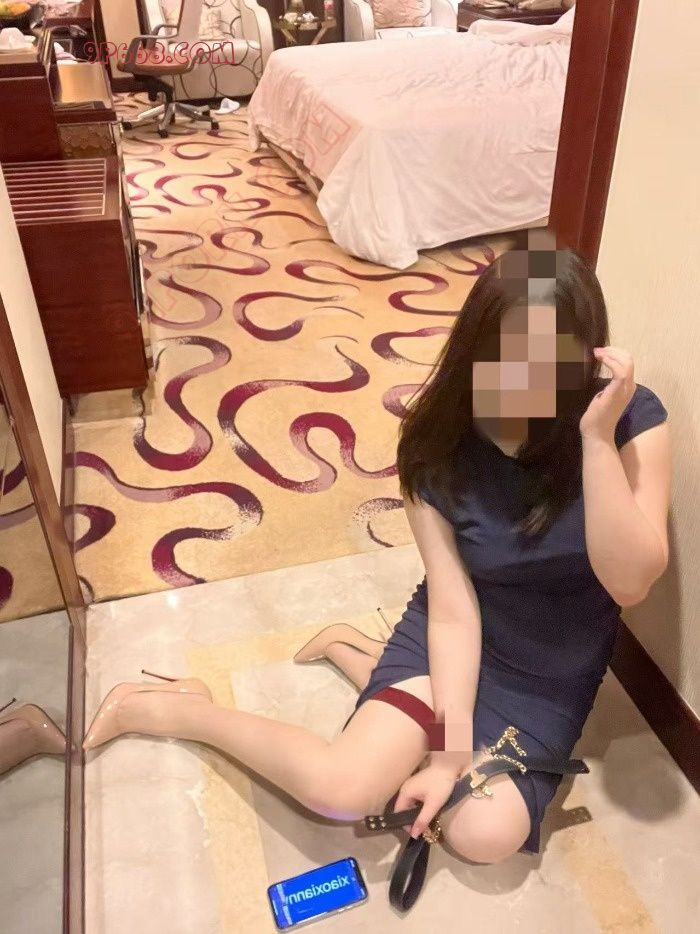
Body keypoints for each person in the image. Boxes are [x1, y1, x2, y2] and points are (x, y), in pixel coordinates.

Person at [84, 238, 671, 866]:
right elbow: (454, 612)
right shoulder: (435, 442)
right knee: (343, 790)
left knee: (483, 835)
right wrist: (446, 754)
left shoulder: (628, 418)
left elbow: (630, 583)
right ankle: (186, 709)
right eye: (506, 356)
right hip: (455, 633)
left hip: (548, 669)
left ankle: (361, 657)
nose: (524, 381)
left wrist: (595, 441)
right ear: (475, 346)